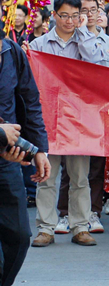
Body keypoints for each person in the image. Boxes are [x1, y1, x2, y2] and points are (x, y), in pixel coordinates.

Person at [27, 0, 107, 248]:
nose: (70, 21)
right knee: (47, 177)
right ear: (53, 16)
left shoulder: (88, 41)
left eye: (75, 16)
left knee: (79, 178)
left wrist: (83, 34)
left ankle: (80, 227)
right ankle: (46, 228)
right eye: (64, 16)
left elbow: (96, 63)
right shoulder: (39, 45)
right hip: (47, 120)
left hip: (79, 120)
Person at [0, 22, 50, 286]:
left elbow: (30, 99)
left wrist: (39, 148)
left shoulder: (12, 51)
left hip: (7, 161)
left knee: (19, 236)